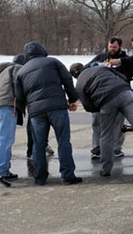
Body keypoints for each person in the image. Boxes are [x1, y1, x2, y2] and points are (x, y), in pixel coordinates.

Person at [70, 63, 133, 176]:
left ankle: (106, 168)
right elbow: (122, 77)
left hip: (106, 101)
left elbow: (88, 107)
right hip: (125, 92)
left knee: (106, 134)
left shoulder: (79, 85)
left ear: (74, 76)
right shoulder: (101, 68)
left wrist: (98, 105)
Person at [14, 42, 82, 186]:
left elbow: (19, 96)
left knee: (38, 144)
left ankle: (40, 177)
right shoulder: (53, 62)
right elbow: (67, 80)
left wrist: (25, 110)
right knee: (63, 141)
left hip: (36, 112)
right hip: (57, 106)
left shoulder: (21, 71)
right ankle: (68, 175)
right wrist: (72, 99)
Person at [87, 37, 133, 159]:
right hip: (100, 95)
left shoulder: (127, 60)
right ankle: (96, 148)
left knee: (118, 123)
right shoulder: (101, 57)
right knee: (97, 121)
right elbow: (86, 69)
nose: (111, 49)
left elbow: (130, 75)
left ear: (120, 46)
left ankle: (116, 148)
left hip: (120, 93)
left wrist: (113, 72)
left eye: (114, 47)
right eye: (110, 47)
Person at [0, 54, 27, 186]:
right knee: (6, 139)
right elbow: (20, 87)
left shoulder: (2, 73)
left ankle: (4, 170)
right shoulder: (17, 68)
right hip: (7, 106)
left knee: (0, 139)